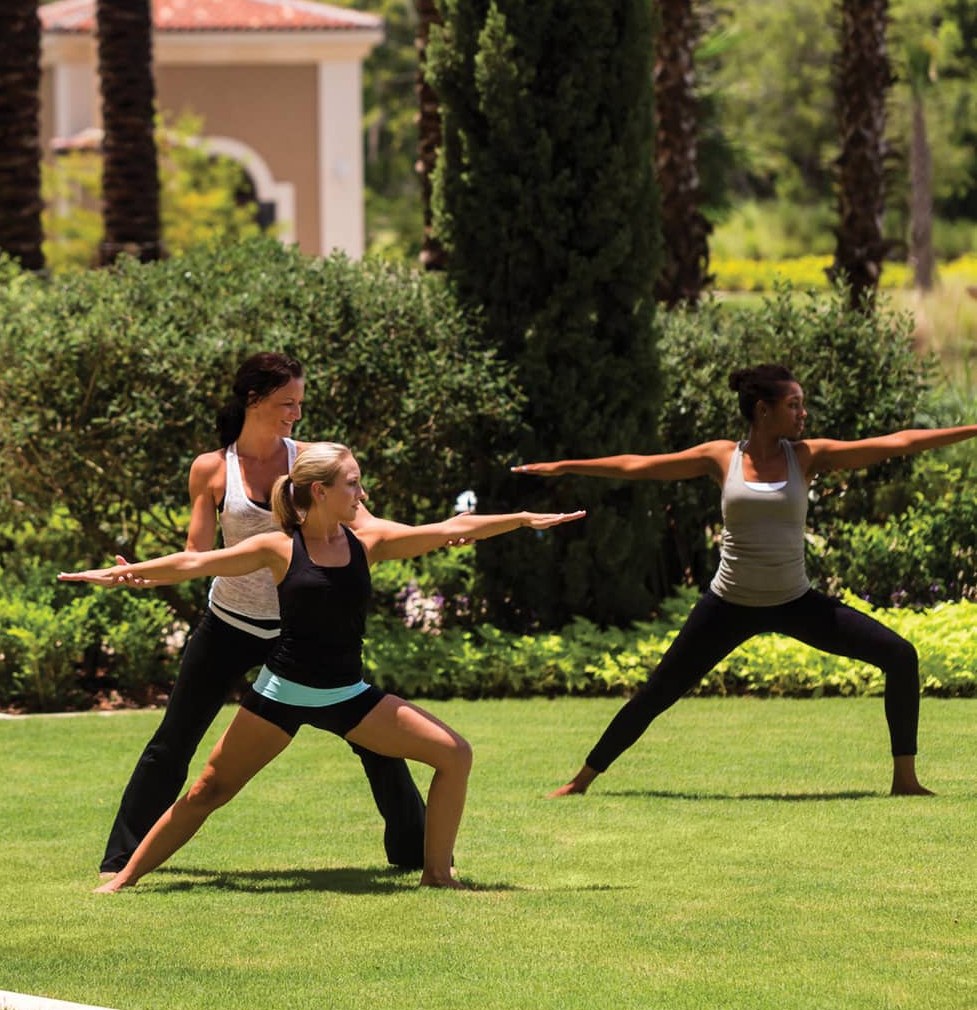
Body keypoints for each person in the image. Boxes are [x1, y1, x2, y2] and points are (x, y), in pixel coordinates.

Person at [64, 442, 584, 891]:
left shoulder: (369, 543)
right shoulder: (277, 547)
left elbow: (448, 528)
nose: (361, 494)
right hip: (281, 693)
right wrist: (126, 577)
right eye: (353, 485)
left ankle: (437, 875)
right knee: (208, 790)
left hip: (348, 696)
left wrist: (520, 520)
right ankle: (123, 878)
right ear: (320, 492)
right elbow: (196, 563)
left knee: (455, 756)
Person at [517, 364, 963, 798]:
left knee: (900, 657)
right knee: (658, 693)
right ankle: (581, 780)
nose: (803, 414)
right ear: (763, 409)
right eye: (794, 405)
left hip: (794, 601)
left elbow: (899, 443)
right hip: (728, 604)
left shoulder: (807, 456)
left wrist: (972, 430)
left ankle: (904, 780)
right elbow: (640, 465)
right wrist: (567, 466)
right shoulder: (721, 457)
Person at [97, 353, 429, 877]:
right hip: (229, 625)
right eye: (285, 403)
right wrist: (142, 571)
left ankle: (417, 854)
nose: (295, 414)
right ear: (252, 400)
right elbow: (196, 553)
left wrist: (444, 530)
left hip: (301, 637)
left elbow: (365, 523)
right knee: (175, 739)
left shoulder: (309, 464)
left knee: (377, 743)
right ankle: (119, 862)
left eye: (299, 402)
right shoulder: (212, 468)